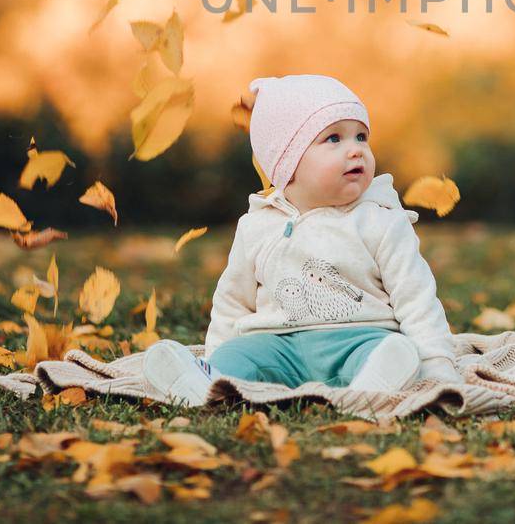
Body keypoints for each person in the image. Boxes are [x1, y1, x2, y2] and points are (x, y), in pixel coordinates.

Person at [143, 74, 460, 404]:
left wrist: (437, 366)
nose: (356, 151)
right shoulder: (258, 226)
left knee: (393, 351)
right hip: (278, 346)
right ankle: (208, 381)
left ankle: (373, 385)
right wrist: (218, 354)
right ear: (287, 163)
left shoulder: (381, 220)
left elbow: (416, 298)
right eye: (334, 139)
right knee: (240, 354)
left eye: (362, 137)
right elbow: (233, 302)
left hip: (358, 340)